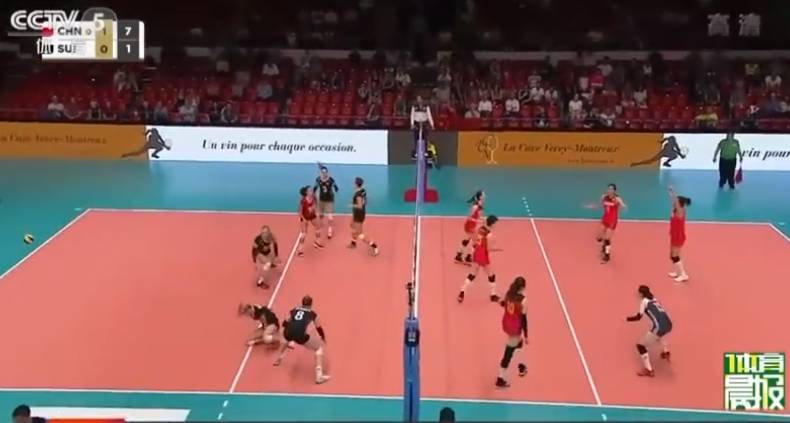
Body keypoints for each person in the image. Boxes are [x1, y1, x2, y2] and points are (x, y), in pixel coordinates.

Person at [274, 295, 331, 384]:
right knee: (318, 348)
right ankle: (319, 376)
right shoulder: (312, 314)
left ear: (302, 303)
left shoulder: (294, 310)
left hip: (288, 332)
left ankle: (278, 359)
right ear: (311, 304)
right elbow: (318, 327)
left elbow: (285, 322)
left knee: (287, 338)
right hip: (300, 335)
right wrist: (322, 337)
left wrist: (288, 332)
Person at [626, 285, 672, 377]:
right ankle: (666, 352)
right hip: (669, 324)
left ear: (641, 294)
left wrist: (627, 319)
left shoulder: (644, 301)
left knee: (640, 346)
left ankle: (649, 370)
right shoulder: (655, 299)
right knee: (660, 335)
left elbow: (639, 317)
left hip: (659, 327)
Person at [457, 215, 500, 303]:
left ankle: (462, 291)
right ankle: (493, 295)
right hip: (483, 255)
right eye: (495, 223)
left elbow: (473, 239)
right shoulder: (489, 235)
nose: (496, 225)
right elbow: (488, 249)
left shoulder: (479, 229)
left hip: (476, 253)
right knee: (491, 275)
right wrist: (497, 249)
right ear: (492, 224)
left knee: (472, 274)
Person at [496, 276, 529, 388]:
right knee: (508, 353)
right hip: (515, 328)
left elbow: (502, 303)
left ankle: (521, 366)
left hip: (506, 323)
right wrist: (526, 335)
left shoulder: (509, 294)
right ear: (523, 287)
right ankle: (500, 379)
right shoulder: (523, 300)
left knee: (519, 343)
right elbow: (524, 319)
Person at [585, 184, 627, 263]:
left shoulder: (617, 199)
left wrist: (622, 206)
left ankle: (607, 255)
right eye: (608, 189)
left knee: (607, 239)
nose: (609, 190)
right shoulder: (604, 197)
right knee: (599, 238)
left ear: (614, 191)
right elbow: (599, 206)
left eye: (611, 189)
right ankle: (604, 245)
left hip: (612, 221)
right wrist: (591, 206)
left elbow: (623, 205)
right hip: (605, 219)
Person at [349, 177, 379, 256]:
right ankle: (353, 242)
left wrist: (352, 205)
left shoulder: (358, 194)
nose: (353, 184)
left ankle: (374, 246)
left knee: (360, 235)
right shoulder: (363, 190)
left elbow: (359, 206)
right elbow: (366, 201)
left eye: (354, 183)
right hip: (358, 213)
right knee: (351, 225)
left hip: (359, 214)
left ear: (356, 184)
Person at [668, 187, 691, 282]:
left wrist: (673, 192)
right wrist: (671, 195)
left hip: (678, 236)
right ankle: (677, 272)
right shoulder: (675, 210)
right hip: (673, 234)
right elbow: (674, 202)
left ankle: (683, 275)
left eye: (676, 202)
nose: (675, 202)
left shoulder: (681, 211)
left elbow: (676, 201)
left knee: (675, 255)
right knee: (671, 255)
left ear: (680, 203)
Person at [455, 191, 485, 264]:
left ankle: (459, 256)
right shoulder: (475, 207)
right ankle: (468, 257)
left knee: (467, 240)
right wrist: (478, 221)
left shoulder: (480, 205)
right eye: (483, 194)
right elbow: (469, 217)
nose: (485, 195)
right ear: (480, 197)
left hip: (473, 225)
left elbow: (478, 216)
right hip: (470, 225)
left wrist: (482, 219)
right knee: (476, 241)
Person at [298, 186, 324, 257]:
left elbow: (316, 204)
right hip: (304, 217)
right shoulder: (303, 200)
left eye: (312, 190)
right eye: (310, 190)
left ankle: (317, 242)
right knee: (304, 234)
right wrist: (304, 220)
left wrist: (314, 208)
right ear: (306, 192)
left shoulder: (314, 197)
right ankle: (300, 250)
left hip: (312, 216)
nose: (312, 191)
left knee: (318, 227)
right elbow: (299, 212)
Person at [314, 165, 339, 239]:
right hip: (321, 200)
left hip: (329, 200)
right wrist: (313, 194)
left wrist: (335, 189)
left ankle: (329, 230)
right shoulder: (318, 179)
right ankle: (321, 225)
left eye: (325, 172)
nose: (324, 173)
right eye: (322, 172)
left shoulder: (331, 180)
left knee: (330, 217)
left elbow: (336, 188)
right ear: (320, 173)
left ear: (327, 173)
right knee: (321, 215)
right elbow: (315, 187)